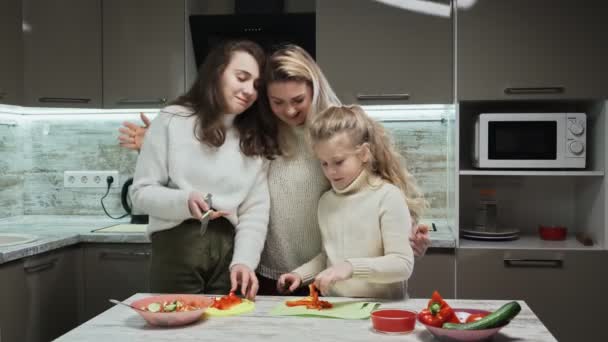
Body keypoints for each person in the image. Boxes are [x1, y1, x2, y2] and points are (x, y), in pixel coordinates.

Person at [119, 44, 431, 297]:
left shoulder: (336, 134)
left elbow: (376, 187)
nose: (290, 111)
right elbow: (225, 172)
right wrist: (162, 140)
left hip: (324, 276)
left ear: (315, 88)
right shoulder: (259, 133)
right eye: (277, 102)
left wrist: (408, 233)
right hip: (266, 273)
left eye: (298, 100)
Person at [130, 40, 280, 300]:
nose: (249, 91)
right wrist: (184, 200)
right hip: (177, 247)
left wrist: (244, 262)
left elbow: (255, 213)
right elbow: (141, 194)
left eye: (256, 85)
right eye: (241, 77)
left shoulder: (253, 138)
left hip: (230, 254)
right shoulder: (172, 119)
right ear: (217, 72)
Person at [277, 105, 425, 299]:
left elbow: (402, 264)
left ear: (363, 154)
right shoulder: (326, 202)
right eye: (324, 163)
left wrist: (351, 267)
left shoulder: (387, 196)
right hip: (336, 307)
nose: (330, 171)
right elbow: (329, 257)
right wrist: (300, 274)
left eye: (338, 162)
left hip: (382, 309)